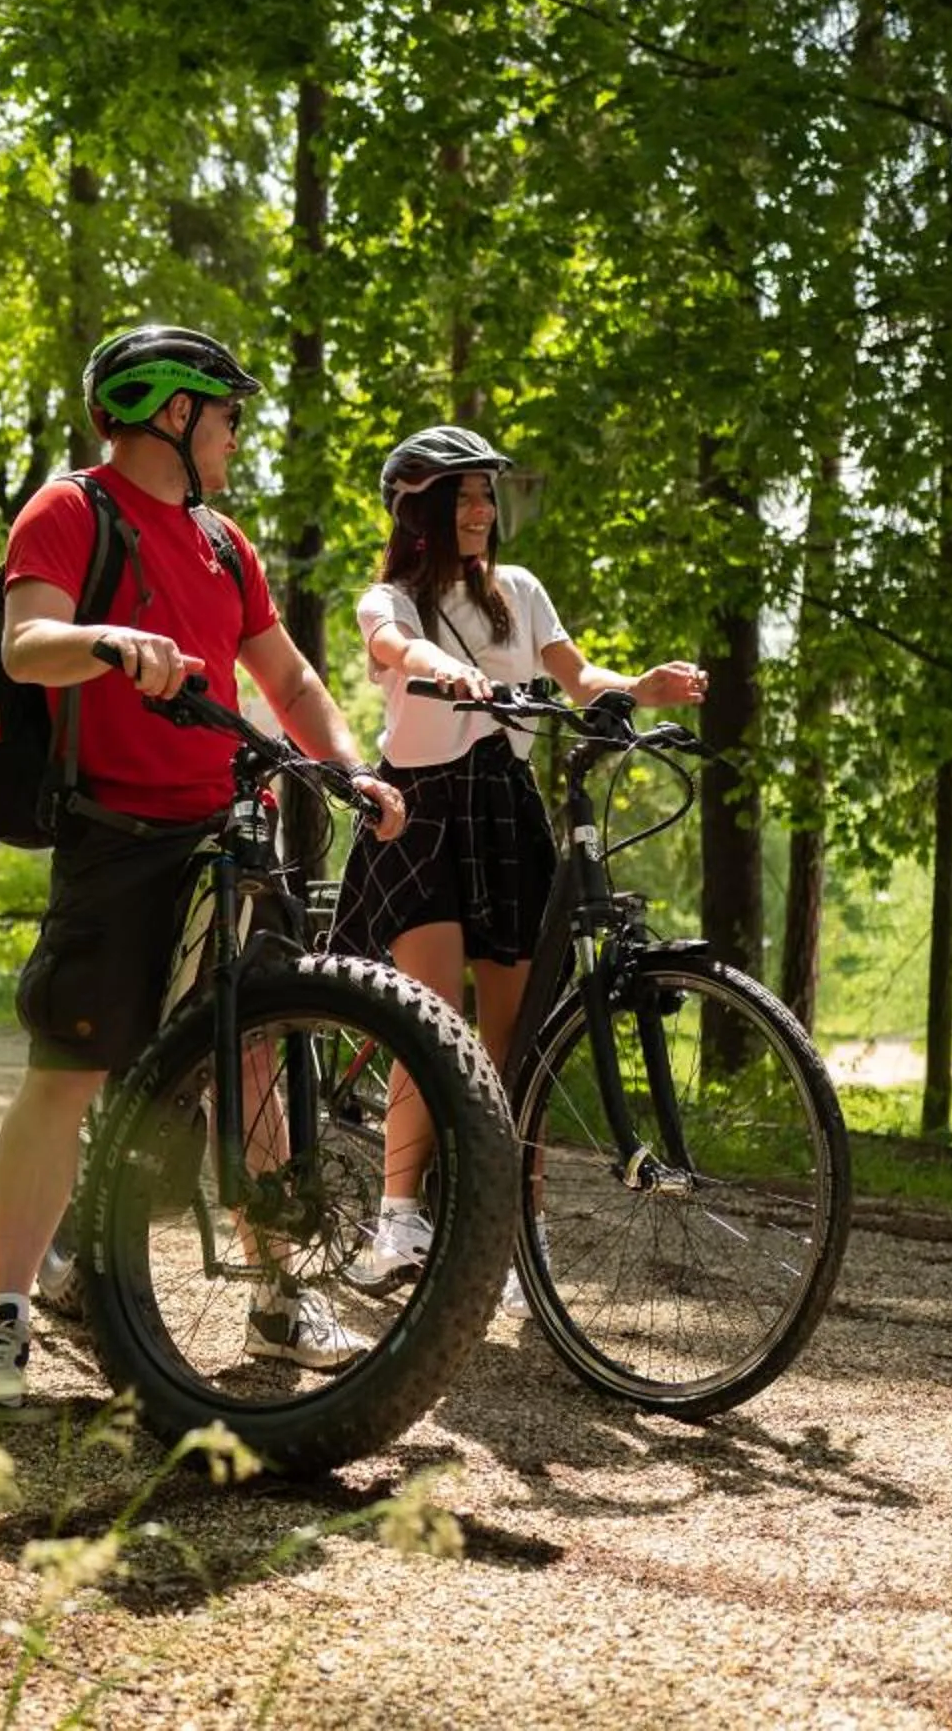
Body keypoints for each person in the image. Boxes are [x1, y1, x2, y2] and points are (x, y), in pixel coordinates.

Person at [0, 324, 409, 1408]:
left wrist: (351, 771)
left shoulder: (222, 543)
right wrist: (112, 642)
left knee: (256, 1054)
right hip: (117, 834)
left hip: (227, 829)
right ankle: (4, 1319)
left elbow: (291, 682)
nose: (236, 436)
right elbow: (27, 644)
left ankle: (277, 1288)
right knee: (66, 1073)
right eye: (228, 415)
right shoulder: (72, 511)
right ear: (172, 411)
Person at [327, 424, 704, 1301]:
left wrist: (638, 688)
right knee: (431, 1026)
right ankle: (397, 1221)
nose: (482, 511)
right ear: (419, 507)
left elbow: (577, 678)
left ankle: (512, 1227)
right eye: (463, 496)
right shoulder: (392, 594)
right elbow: (392, 645)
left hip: (505, 805)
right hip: (421, 809)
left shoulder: (521, 592)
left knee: (513, 1041)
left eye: (487, 496)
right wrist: (441, 669)